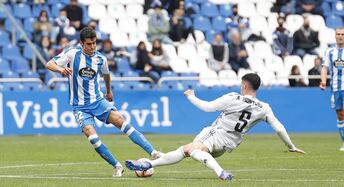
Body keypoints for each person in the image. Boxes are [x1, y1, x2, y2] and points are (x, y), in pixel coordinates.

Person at [125, 73, 305, 180]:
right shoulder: (264, 107)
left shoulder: (234, 97)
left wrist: (191, 96)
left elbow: (207, 107)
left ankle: (220, 172)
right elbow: (279, 128)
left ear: (244, 85)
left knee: (191, 149)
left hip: (216, 133)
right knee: (187, 150)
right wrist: (291, 146)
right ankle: (151, 162)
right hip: (229, 144)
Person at [45, 27, 163, 177]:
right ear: (81, 43)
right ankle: (117, 166)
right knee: (92, 137)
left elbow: (106, 74)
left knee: (122, 121)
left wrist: (108, 91)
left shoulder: (100, 58)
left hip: (98, 101)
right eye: (89, 44)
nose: (92, 46)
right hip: (80, 107)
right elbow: (49, 64)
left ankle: (153, 152)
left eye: (94, 43)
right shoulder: (72, 53)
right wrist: (61, 70)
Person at [320, 27, 344, 151]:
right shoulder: (330, 52)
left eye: (342, 34)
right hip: (336, 88)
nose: (340, 36)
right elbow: (324, 68)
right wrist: (323, 81)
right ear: (335, 36)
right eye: (338, 34)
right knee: (340, 115)